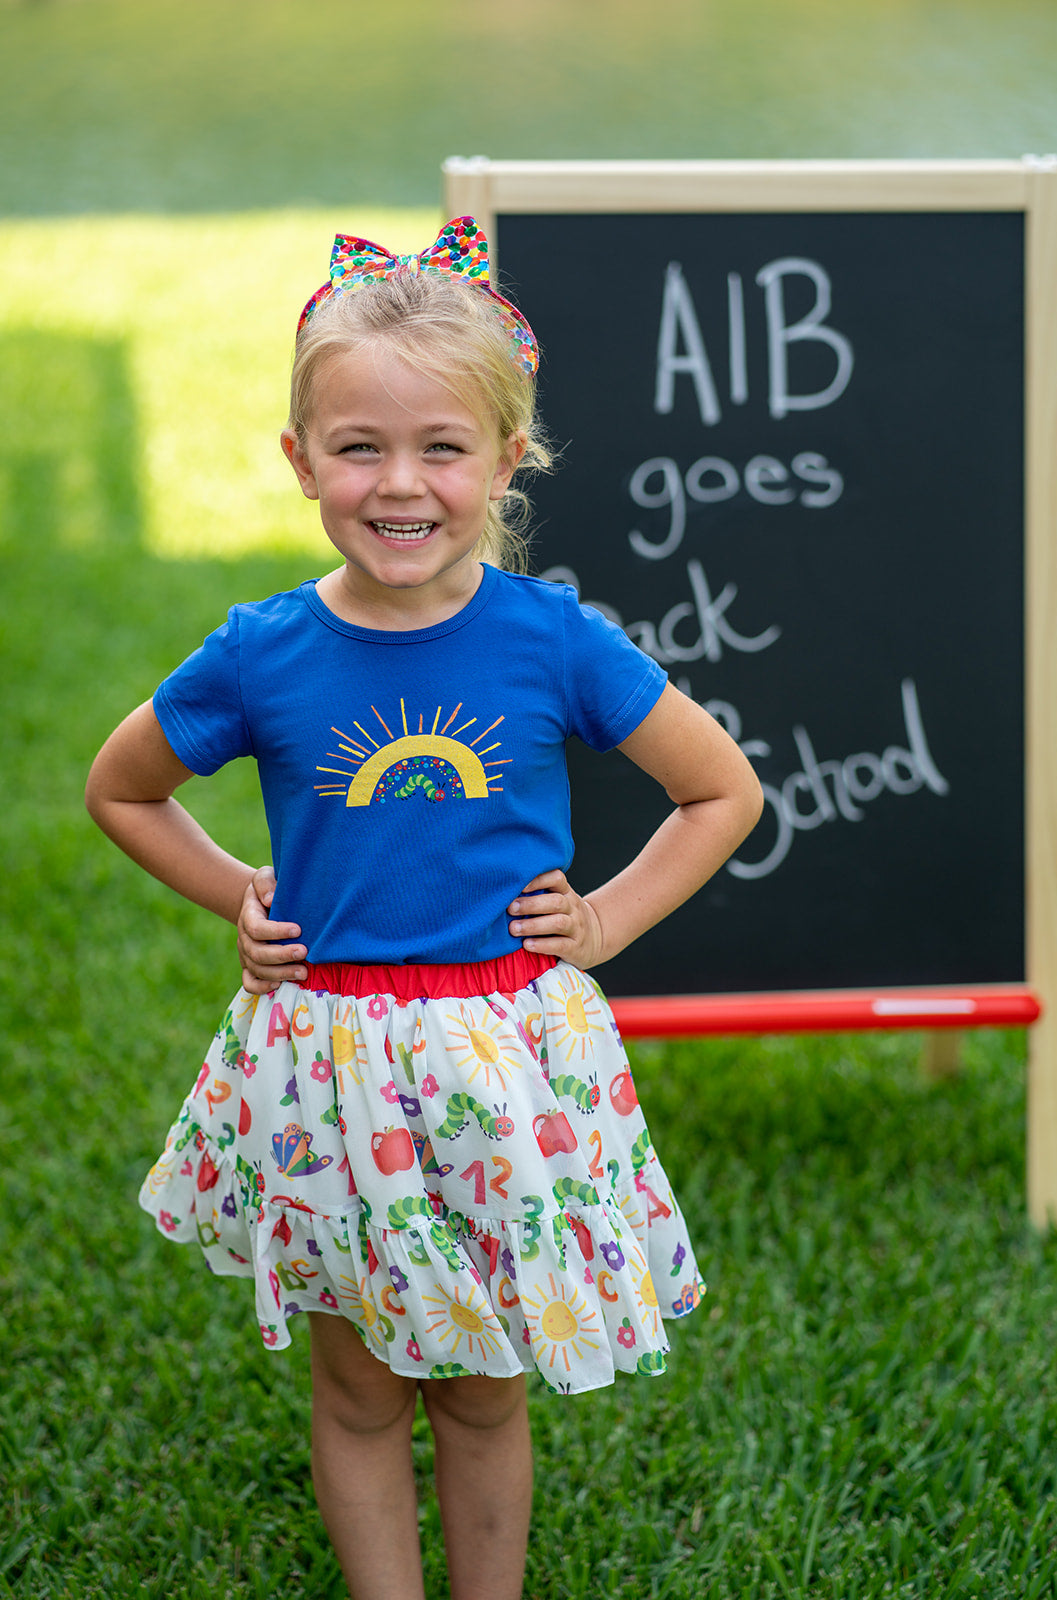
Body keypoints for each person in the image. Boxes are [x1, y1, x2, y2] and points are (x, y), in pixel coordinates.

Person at [85, 218, 764, 1600]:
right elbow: (123, 787)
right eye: (359, 447)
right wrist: (243, 896)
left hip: (505, 1064)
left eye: (442, 448)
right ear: (300, 461)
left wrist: (611, 923)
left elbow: (721, 792)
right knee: (357, 1379)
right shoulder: (262, 651)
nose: (402, 484)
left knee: (482, 1381)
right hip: (331, 1059)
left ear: (508, 463)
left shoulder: (551, 638)